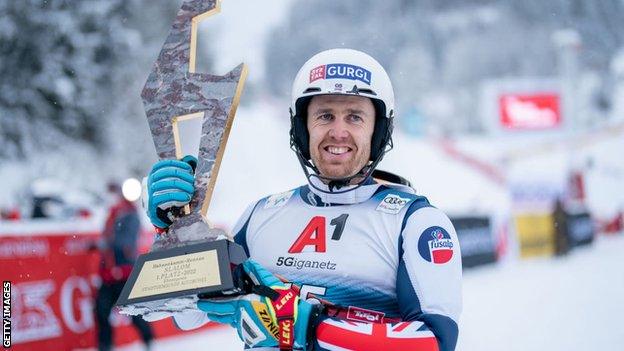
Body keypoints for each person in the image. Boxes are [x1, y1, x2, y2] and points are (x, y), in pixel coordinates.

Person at [145, 49, 462, 351]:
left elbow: (433, 341)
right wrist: (174, 230)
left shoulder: (416, 222)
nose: (338, 132)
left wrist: (309, 326)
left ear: (378, 130)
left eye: (354, 117)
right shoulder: (261, 215)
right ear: (302, 127)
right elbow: (186, 314)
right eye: (325, 115)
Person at [95, 183, 154, 351]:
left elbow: (126, 241)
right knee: (101, 312)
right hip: (108, 274)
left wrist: (104, 244)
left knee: (134, 314)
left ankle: (149, 341)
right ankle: (105, 346)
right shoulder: (111, 215)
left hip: (125, 274)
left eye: (113, 194)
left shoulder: (130, 214)